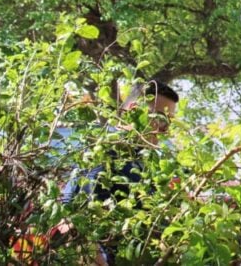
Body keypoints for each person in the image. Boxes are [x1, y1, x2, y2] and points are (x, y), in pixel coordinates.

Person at [56, 80, 180, 265]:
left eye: (169, 122)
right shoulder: (106, 153)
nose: (165, 130)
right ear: (133, 110)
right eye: (161, 119)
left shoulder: (143, 162)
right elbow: (75, 225)